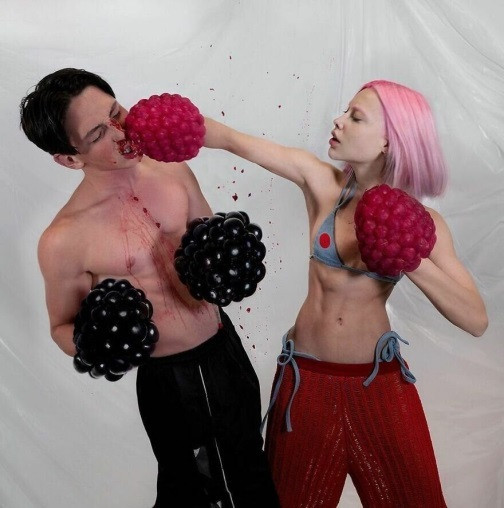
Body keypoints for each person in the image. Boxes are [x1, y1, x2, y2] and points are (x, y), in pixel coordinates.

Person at [203, 79, 488, 507]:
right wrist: (149, 127)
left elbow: (476, 319)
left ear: (390, 141)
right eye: (344, 112)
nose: (338, 121)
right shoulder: (322, 183)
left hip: (379, 387)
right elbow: (230, 139)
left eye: (356, 117)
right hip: (306, 383)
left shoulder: (424, 224)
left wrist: (407, 253)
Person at [19, 68, 279, 508]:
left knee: (251, 477)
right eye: (99, 132)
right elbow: (62, 325)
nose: (121, 131)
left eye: (116, 112)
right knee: (190, 493)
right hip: (168, 381)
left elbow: (210, 248)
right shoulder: (63, 240)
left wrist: (229, 264)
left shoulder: (174, 170)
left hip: (225, 351)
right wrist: (101, 344)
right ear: (69, 159)